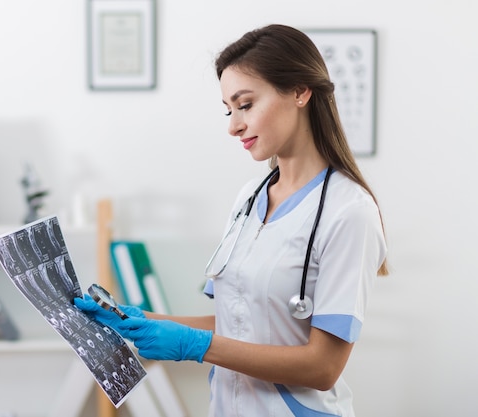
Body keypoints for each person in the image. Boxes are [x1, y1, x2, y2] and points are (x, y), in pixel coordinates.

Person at [75, 23, 388, 417]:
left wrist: (195, 346)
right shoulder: (248, 199)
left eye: (245, 105)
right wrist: (132, 317)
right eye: (228, 110)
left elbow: (323, 367)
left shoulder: (349, 211)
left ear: (299, 91)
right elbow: (237, 322)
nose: (233, 125)